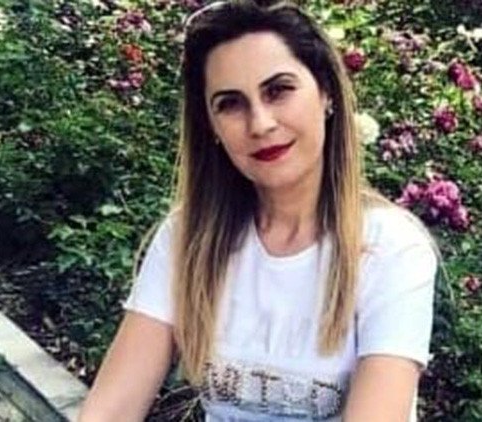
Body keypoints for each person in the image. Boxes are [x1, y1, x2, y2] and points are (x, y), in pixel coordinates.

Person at [78, 0, 441, 421]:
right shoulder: (187, 239)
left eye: (278, 90)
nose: (260, 123)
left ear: (326, 93)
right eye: (230, 103)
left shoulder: (390, 248)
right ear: (211, 126)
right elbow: (110, 410)